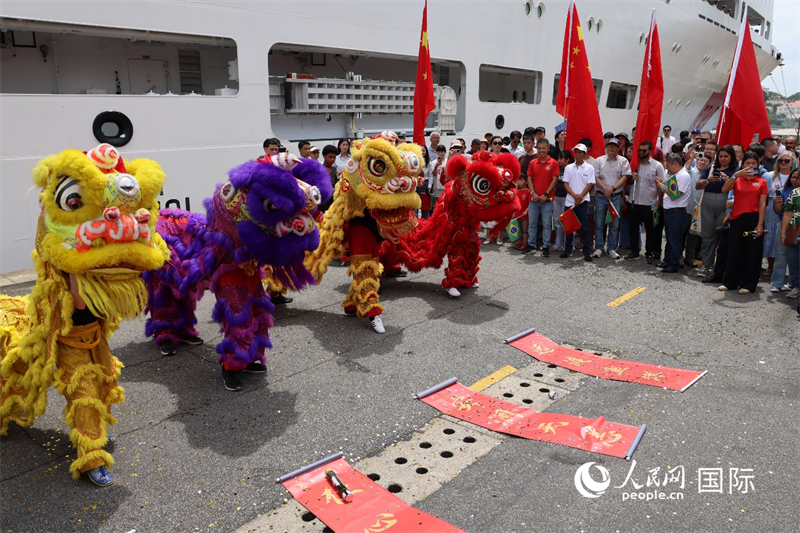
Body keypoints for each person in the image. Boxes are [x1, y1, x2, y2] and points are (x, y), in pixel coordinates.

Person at [718, 151, 768, 294]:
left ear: (758, 165)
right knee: (734, 251)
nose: (750, 166)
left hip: (753, 218)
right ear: (743, 164)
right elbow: (724, 189)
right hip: (737, 219)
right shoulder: (737, 180)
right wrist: (735, 176)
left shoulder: (762, 182)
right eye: (747, 163)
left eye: (753, 163)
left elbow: (763, 204)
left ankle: (749, 284)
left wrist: (760, 224)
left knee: (752, 253)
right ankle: (730, 282)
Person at [694, 145, 737, 277]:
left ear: (731, 157)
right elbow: (698, 185)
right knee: (707, 236)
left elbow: (739, 188)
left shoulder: (736, 170)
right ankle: (707, 264)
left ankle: (722, 267)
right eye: (721, 156)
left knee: (724, 236)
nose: (723, 159)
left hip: (726, 203)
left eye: (726, 156)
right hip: (708, 201)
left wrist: (728, 181)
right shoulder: (710, 168)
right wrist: (708, 181)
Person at [625, 141, 666, 263]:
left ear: (650, 151)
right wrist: (632, 178)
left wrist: (659, 202)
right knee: (633, 228)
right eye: (639, 150)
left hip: (650, 203)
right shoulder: (634, 164)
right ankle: (634, 251)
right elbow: (626, 181)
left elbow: (661, 185)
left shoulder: (657, 166)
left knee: (650, 230)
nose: (641, 153)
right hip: (634, 202)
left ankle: (649, 253)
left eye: (644, 150)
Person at [592, 138, 632, 259]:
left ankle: (611, 248)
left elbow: (624, 177)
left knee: (614, 224)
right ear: (606, 147)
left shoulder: (623, 161)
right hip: (601, 196)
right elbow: (596, 177)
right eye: (610, 146)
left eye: (615, 147)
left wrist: (612, 189)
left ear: (619, 148)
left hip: (615, 197)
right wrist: (605, 189)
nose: (612, 149)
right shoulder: (599, 160)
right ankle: (599, 247)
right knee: (599, 223)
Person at [655, 153, 692, 272]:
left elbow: (674, 195)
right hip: (669, 211)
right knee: (670, 239)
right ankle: (668, 260)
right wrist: (663, 183)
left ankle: (674, 264)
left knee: (675, 239)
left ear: (675, 163)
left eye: (669, 166)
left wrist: (661, 187)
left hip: (677, 212)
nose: (667, 169)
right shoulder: (675, 175)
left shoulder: (684, 176)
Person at [522, 138, 559, 256]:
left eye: (544, 148)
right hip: (534, 199)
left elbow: (554, 180)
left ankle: (545, 246)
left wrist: (546, 194)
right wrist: (532, 192)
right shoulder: (533, 163)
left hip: (547, 200)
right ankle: (531, 244)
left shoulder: (553, 163)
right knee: (532, 223)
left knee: (547, 224)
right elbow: (529, 178)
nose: (541, 150)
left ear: (548, 149)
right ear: (536, 149)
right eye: (539, 148)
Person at [560, 143, 595, 261]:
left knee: (584, 228)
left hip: (583, 202)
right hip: (570, 202)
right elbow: (565, 183)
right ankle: (568, 249)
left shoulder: (589, 168)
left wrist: (581, 196)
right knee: (568, 227)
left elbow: (590, 184)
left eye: (580, 152)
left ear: (584, 154)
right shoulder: (569, 167)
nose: (577, 154)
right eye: (576, 152)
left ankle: (586, 251)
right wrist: (574, 195)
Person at [771, 168, 800, 293]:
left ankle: (794, 283)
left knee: (794, 258)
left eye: (798, 178)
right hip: (785, 225)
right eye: (793, 177)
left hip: (797, 228)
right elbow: (780, 212)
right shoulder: (783, 191)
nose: (795, 180)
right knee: (781, 255)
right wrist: (776, 204)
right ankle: (777, 283)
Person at [553, 149, 574, 251]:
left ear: (568, 160)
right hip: (557, 198)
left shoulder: (572, 170)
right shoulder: (557, 170)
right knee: (558, 222)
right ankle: (558, 244)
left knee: (567, 222)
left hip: (568, 198)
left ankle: (568, 244)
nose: (559, 160)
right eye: (558, 158)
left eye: (561, 158)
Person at [417, 145, 435, 219]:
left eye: (424, 150)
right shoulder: (415, 161)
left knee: (425, 206)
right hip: (417, 184)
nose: (422, 152)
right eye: (421, 150)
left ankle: (424, 222)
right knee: (416, 205)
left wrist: (429, 187)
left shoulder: (429, 162)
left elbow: (431, 176)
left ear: (426, 152)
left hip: (425, 184)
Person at [514, 175, 531, 250]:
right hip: (518, 214)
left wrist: (526, 210)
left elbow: (531, 204)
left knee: (525, 230)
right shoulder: (517, 192)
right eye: (518, 181)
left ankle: (525, 243)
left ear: (526, 182)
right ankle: (520, 242)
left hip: (525, 215)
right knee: (519, 229)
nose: (519, 182)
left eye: (521, 180)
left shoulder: (528, 192)